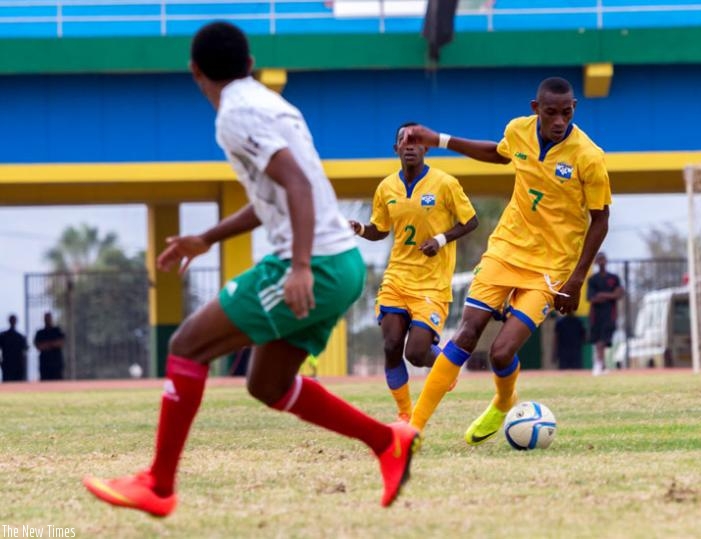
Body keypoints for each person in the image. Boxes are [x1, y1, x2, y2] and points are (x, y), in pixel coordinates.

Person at [83, 21, 419, 518]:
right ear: (251, 63)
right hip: (341, 263)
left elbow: (299, 187)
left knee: (185, 345)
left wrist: (300, 266)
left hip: (316, 264)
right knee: (268, 385)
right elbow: (276, 194)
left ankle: (158, 484)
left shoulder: (234, 115)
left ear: (195, 72)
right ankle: (387, 441)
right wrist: (207, 237)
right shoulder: (272, 103)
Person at [401, 76, 612, 444]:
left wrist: (577, 279)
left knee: (501, 353)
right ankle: (413, 428)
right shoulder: (518, 130)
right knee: (467, 333)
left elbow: (601, 220)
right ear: (536, 109)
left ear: (574, 109)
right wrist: (440, 140)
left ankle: (503, 401)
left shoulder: (589, 158)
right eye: (551, 113)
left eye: (566, 112)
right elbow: (497, 154)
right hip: (506, 249)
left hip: (551, 268)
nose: (559, 121)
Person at [350, 122, 478, 422]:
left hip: (432, 285)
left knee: (416, 353)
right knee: (392, 344)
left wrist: (441, 239)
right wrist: (360, 229)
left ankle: (446, 364)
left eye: (416, 139)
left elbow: (470, 221)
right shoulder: (386, 188)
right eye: (402, 140)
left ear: (426, 147)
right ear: (396, 149)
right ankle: (405, 416)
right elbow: (380, 230)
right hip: (397, 278)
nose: (409, 144)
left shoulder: (445, 183)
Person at [587, 252, 624, 375]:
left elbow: (618, 294)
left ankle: (601, 364)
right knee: (598, 340)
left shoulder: (614, 278)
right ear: (596, 262)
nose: (602, 262)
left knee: (605, 340)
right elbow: (591, 298)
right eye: (599, 260)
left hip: (610, 314)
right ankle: (599, 363)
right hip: (596, 315)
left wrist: (602, 294)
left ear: (606, 261)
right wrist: (610, 295)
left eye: (603, 259)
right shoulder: (592, 280)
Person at [34, 312, 65, 381]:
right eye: (46, 318)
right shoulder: (40, 333)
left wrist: (48, 344)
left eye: (49, 318)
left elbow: (61, 343)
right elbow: (38, 346)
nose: (47, 320)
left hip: (56, 363)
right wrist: (52, 344)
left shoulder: (57, 330)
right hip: (45, 363)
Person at [0, 314, 28, 382]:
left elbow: (24, 352)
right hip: (7, 365)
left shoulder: (20, 337)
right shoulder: (3, 336)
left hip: (18, 366)